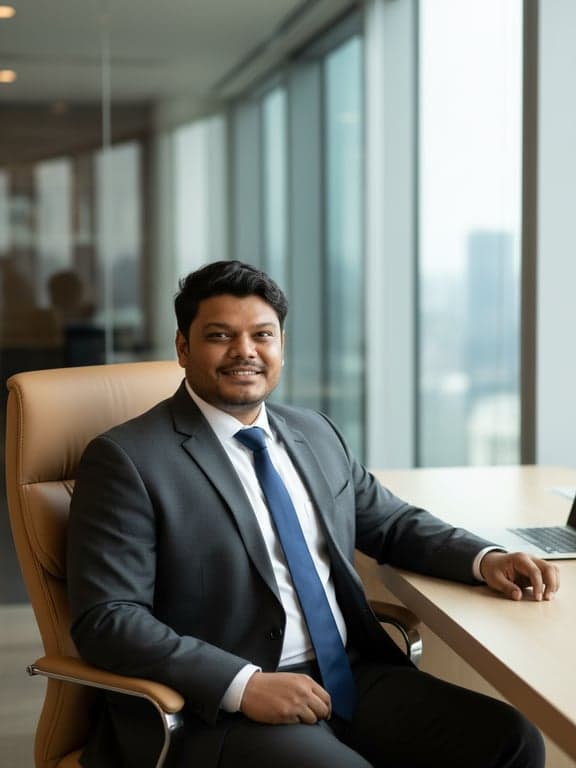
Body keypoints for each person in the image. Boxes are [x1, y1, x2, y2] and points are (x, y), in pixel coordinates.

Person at [68, 260, 559, 768]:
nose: (245, 351)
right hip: (219, 709)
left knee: (512, 741)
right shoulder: (128, 459)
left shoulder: (314, 433)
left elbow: (391, 524)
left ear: (281, 345)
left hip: (348, 675)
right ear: (183, 347)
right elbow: (108, 618)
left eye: (263, 334)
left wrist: (485, 559)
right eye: (220, 336)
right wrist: (245, 685)